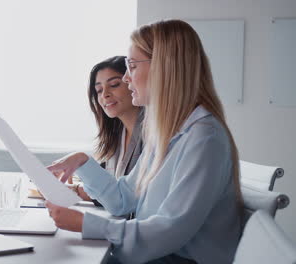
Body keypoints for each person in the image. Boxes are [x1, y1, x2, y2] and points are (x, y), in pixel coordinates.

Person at [46, 20, 243, 264]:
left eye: (131, 66)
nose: (127, 78)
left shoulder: (204, 138)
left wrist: (87, 224)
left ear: (165, 68)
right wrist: (82, 162)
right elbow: (123, 198)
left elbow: (170, 230)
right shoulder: (166, 132)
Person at [71, 56, 144, 202]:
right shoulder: (116, 136)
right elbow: (109, 193)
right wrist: (72, 190)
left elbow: (127, 198)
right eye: (99, 90)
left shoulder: (152, 134)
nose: (105, 94)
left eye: (115, 84)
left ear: (132, 83)